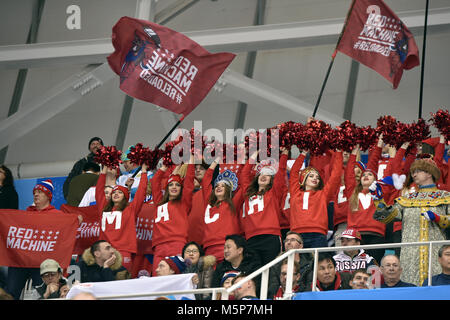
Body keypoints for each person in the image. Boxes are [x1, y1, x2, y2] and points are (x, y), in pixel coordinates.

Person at [373, 157, 450, 286]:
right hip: (410, 254)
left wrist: (438, 218)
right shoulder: (406, 199)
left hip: (435, 251)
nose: (413, 174)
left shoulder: (445, 196)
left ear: (429, 173)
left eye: (418, 170)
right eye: (413, 171)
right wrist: (379, 200)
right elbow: (387, 217)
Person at [5, 179, 67, 299]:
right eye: (34, 193)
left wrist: (76, 221)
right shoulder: (25, 214)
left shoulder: (58, 216)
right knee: (10, 293)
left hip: (41, 262)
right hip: (21, 261)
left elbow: (65, 235)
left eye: (40, 192)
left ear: (48, 196)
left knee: (45, 292)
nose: (36, 195)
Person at [95, 163, 148, 271]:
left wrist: (143, 172)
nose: (116, 194)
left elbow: (141, 192)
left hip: (123, 251)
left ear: (125, 197)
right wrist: (104, 169)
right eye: (114, 192)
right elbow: (99, 190)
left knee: (122, 282)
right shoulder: (104, 209)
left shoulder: (130, 209)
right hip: (104, 253)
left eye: (120, 192)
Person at [239, 147, 288, 265]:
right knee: (254, 273)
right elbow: (244, 175)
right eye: (261, 174)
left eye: (268, 174)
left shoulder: (273, 193)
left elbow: (281, 174)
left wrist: (284, 154)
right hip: (251, 238)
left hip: (270, 236)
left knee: (272, 271)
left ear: (272, 180)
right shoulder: (248, 193)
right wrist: (255, 153)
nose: (264, 176)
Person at [289, 147, 343, 248]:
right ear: (303, 179)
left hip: (318, 234)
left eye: (317, 177)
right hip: (297, 235)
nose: (315, 178)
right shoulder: (295, 192)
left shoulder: (323, 194)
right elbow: (293, 173)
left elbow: (335, 176)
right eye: (311, 176)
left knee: (318, 263)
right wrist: (303, 154)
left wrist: (339, 153)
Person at [151, 156, 195, 275]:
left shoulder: (184, 203)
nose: (174, 187)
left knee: (175, 278)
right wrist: (165, 165)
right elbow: (155, 182)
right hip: (158, 246)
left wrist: (191, 159)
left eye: (177, 185)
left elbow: (190, 182)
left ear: (181, 189)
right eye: (171, 185)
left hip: (177, 243)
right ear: (167, 187)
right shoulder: (159, 202)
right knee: (157, 278)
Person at [346, 141, 387, 264]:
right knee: (355, 268)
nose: (366, 176)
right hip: (355, 236)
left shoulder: (380, 192)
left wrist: (379, 144)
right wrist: (354, 153)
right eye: (364, 174)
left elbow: (375, 163)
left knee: (373, 269)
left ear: (376, 179)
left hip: (376, 236)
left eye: (370, 174)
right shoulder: (352, 193)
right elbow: (348, 173)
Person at [200, 157, 242, 263]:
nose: (219, 187)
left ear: (228, 190)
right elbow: (206, 181)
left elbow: (244, 185)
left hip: (227, 246)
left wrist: (243, 161)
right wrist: (216, 160)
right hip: (209, 248)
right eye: (217, 186)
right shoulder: (209, 204)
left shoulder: (232, 203)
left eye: (223, 186)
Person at [267, 231, 312, 298]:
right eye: (286, 240)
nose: (288, 242)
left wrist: (294, 295)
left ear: (300, 246)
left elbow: (309, 286)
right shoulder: (276, 265)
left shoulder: (309, 264)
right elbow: (273, 288)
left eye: (293, 240)